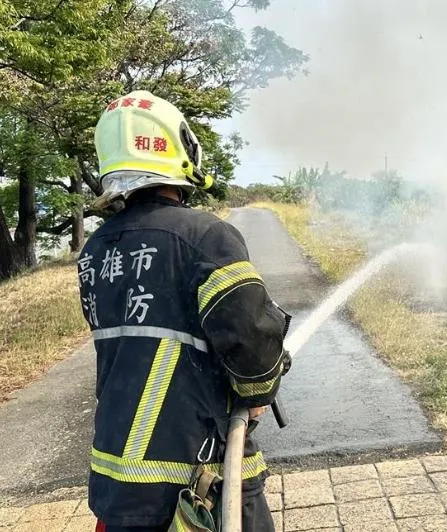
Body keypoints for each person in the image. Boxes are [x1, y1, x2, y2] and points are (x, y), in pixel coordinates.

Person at [78, 90, 291, 531]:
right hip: (200, 479)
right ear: (179, 149)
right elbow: (252, 345)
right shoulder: (206, 237)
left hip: (117, 482)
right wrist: (258, 392)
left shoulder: (96, 250)